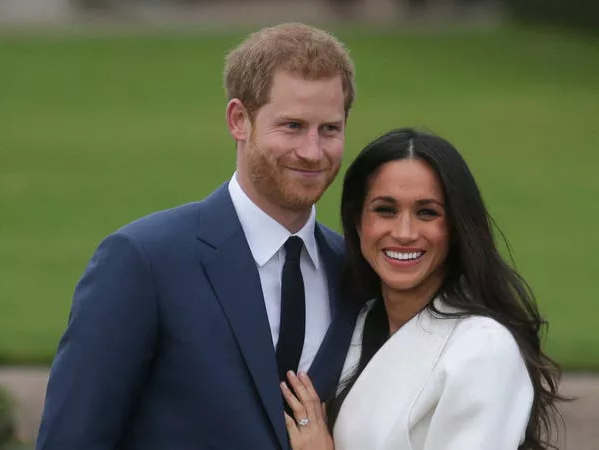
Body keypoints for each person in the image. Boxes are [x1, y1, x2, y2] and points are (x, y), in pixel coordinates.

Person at [36, 23, 358, 450]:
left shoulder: (354, 272)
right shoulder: (143, 262)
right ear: (239, 120)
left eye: (330, 129)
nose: (313, 151)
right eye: (293, 126)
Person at [279, 128, 562, 450]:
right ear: (358, 222)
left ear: (455, 228)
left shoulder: (483, 348)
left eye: (427, 212)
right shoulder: (350, 320)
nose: (404, 232)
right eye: (386, 209)